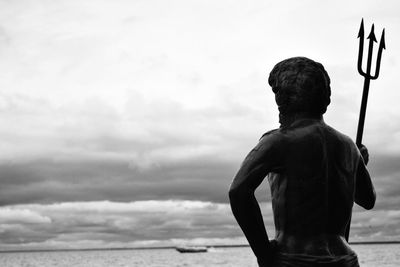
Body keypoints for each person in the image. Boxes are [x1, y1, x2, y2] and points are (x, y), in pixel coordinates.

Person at [229, 57, 376, 267]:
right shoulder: (349, 146)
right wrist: (355, 165)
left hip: (294, 260)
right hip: (345, 260)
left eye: (277, 92)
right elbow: (367, 199)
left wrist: (263, 253)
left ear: (285, 98)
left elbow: (238, 192)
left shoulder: (278, 140)